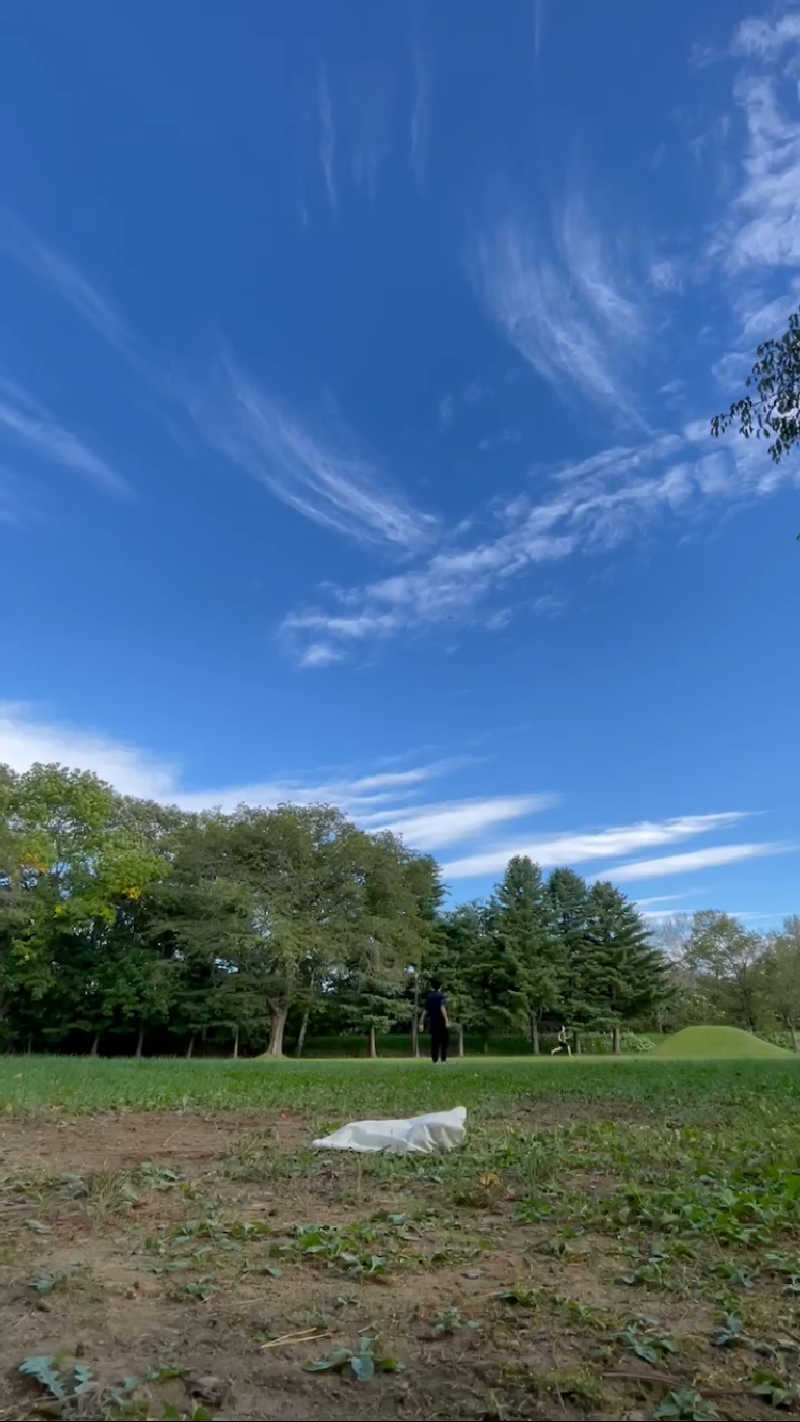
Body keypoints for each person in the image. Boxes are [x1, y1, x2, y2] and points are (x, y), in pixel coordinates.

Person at [424, 978, 449, 1064]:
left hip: (433, 1022)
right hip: (441, 1022)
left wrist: (420, 1022)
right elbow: (442, 1007)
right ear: (440, 987)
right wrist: (446, 1020)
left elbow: (425, 1011)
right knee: (444, 1041)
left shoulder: (429, 996)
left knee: (434, 1042)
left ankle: (434, 1060)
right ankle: (443, 1060)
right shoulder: (441, 996)